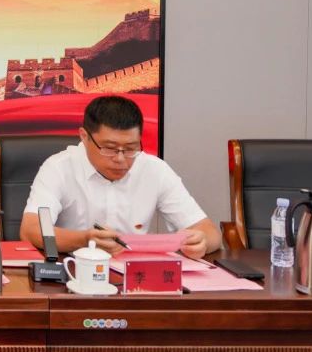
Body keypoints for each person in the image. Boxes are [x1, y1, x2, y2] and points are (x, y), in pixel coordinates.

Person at [19, 94, 221, 259]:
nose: (120, 159)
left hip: (135, 278)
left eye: (131, 148)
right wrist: (85, 239)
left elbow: (210, 232)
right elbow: (30, 229)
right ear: (84, 137)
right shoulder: (59, 168)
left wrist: (201, 241)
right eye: (109, 148)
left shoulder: (154, 170)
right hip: (73, 271)